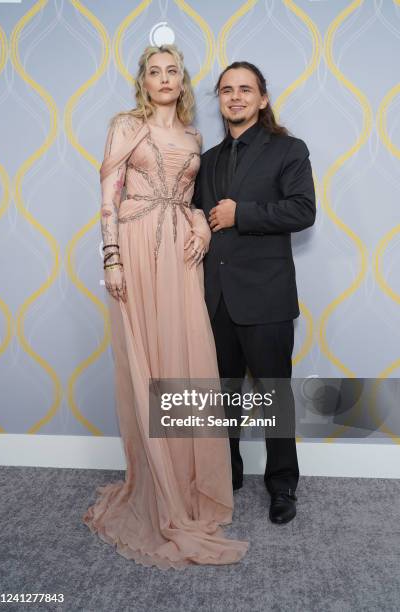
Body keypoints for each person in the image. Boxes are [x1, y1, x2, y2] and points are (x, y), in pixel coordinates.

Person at [82, 45, 248, 569]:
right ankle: (156, 486)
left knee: (186, 360)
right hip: (133, 244)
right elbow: (108, 196)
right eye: (154, 72)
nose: (164, 79)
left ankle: (188, 483)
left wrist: (200, 224)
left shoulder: (196, 136)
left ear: (182, 80)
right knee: (147, 360)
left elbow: (195, 198)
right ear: (144, 82)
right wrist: (111, 257)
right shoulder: (125, 127)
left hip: (180, 252)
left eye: (172, 71)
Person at [194, 61, 316, 524]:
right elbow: (194, 219)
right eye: (227, 90)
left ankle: (283, 485)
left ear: (262, 98)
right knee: (224, 396)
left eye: (246, 89)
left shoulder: (289, 150)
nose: (236, 97)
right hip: (215, 298)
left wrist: (240, 214)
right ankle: (226, 476)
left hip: (266, 298)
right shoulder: (207, 161)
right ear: (220, 100)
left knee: (274, 398)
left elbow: (303, 210)